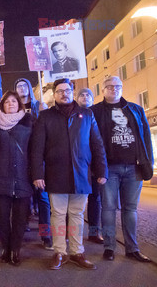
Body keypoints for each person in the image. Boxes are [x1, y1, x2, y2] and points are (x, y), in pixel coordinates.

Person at [31, 78, 107, 270]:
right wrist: (37, 174)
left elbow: (96, 144)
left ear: (72, 92)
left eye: (67, 90)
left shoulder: (87, 114)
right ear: (54, 95)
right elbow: (37, 148)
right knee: (57, 214)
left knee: (77, 214)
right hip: (56, 173)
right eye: (59, 91)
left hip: (81, 173)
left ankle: (76, 251)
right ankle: (60, 252)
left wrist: (101, 169)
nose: (64, 93)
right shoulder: (45, 116)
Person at [90, 76, 154, 263]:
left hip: (134, 168)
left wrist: (147, 163)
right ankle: (109, 247)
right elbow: (92, 142)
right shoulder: (95, 111)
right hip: (109, 169)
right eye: (109, 86)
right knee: (108, 208)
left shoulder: (135, 110)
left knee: (130, 209)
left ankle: (132, 248)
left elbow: (146, 139)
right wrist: (96, 169)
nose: (114, 89)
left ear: (121, 88)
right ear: (103, 90)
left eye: (117, 86)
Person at [0, 91, 33, 266]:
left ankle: (15, 250)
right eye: (7, 102)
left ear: (19, 104)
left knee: (20, 219)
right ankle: (5, 248)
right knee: (3, 218)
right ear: (2, 105)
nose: (11, 104)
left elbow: (34, 150)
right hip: (1, 176)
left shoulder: (28, 122)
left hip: (23, 177)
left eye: (14, 101)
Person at [14, 78, 51, 249]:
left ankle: (46, 234)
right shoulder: (13, 107)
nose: (22, 88)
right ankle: (21, 229)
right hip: (20, 158)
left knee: (42, 198)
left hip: (38, 156)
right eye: (18, 86)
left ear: (29, 88)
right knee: (22, 198)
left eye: (24, 85)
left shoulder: (39, 106)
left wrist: (45, 112)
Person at [76, 88, 103, 244]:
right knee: (72, 201)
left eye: (88, 95)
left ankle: (94, 232)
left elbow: (100, 143)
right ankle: (69, 233)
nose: (85, 97)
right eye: (82, 95)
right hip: (78, 165)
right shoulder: (73, 114)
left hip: (94, 166)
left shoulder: (96, 115)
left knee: (95, 200)